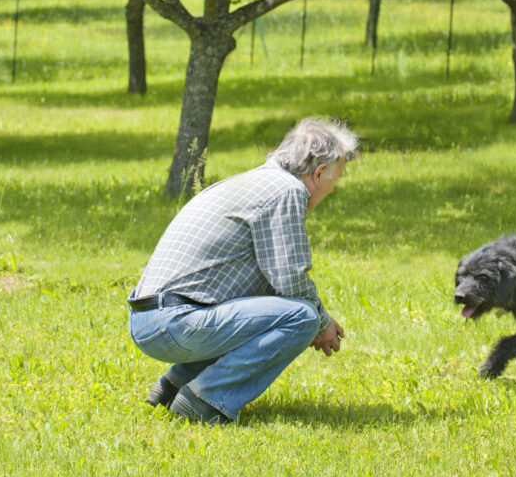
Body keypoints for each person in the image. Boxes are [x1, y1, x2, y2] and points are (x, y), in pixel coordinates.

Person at [127, 117, 357, 424]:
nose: (332, 189)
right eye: (335, 179)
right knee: (302, 316)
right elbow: (290, 279)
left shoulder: (254, 181)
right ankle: (206, 400)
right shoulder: (286, 191)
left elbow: (272, 281)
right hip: (173, 322)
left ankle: (175, 386)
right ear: (319, 173)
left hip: (148, 318)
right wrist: (322, 323)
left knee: (265, 299)